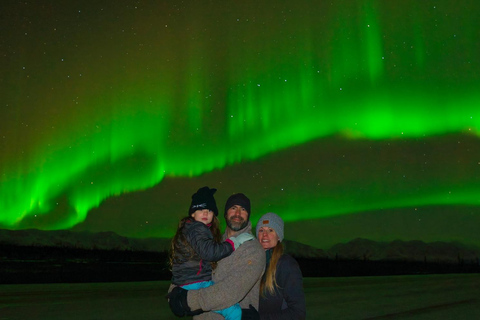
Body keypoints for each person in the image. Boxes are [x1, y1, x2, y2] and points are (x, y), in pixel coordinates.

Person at [169, 193, 266, 319]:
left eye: (243, 209)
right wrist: (174, 292)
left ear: (248, 215)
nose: (237, 213)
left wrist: (187, 300)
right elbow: (186, 267)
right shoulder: (212, 243)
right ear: (225, 213)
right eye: (233, 208)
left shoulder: (253, 249)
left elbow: (229, 291)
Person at [256, 212, 306, 319]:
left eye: (270, 230)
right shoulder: (254, 264)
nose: (265, 234)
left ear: (278, 236)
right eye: (261, 230)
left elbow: (298, 313)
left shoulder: (286, 264)